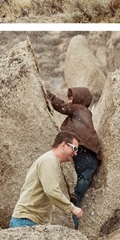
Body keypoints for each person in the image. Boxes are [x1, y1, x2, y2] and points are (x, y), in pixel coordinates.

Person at [47, 87, 101, 229]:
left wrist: (49, 96)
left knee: (78, 185)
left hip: (83, 151)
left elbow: (62, 107)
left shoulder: (78, 109)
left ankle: (74, 202)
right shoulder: (85, 113)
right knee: (83, 181)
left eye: (72, 98)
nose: (69, 101)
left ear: (80, 99)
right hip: (92, 155)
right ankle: (75, 216)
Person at [9, 131, 83, 228]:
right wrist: (72, 208)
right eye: (74, 148)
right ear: (64, 145)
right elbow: (51, 190)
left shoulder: (51, 160)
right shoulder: (49, 160)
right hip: (26, 220)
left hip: (30, 220)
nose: (76, 153)